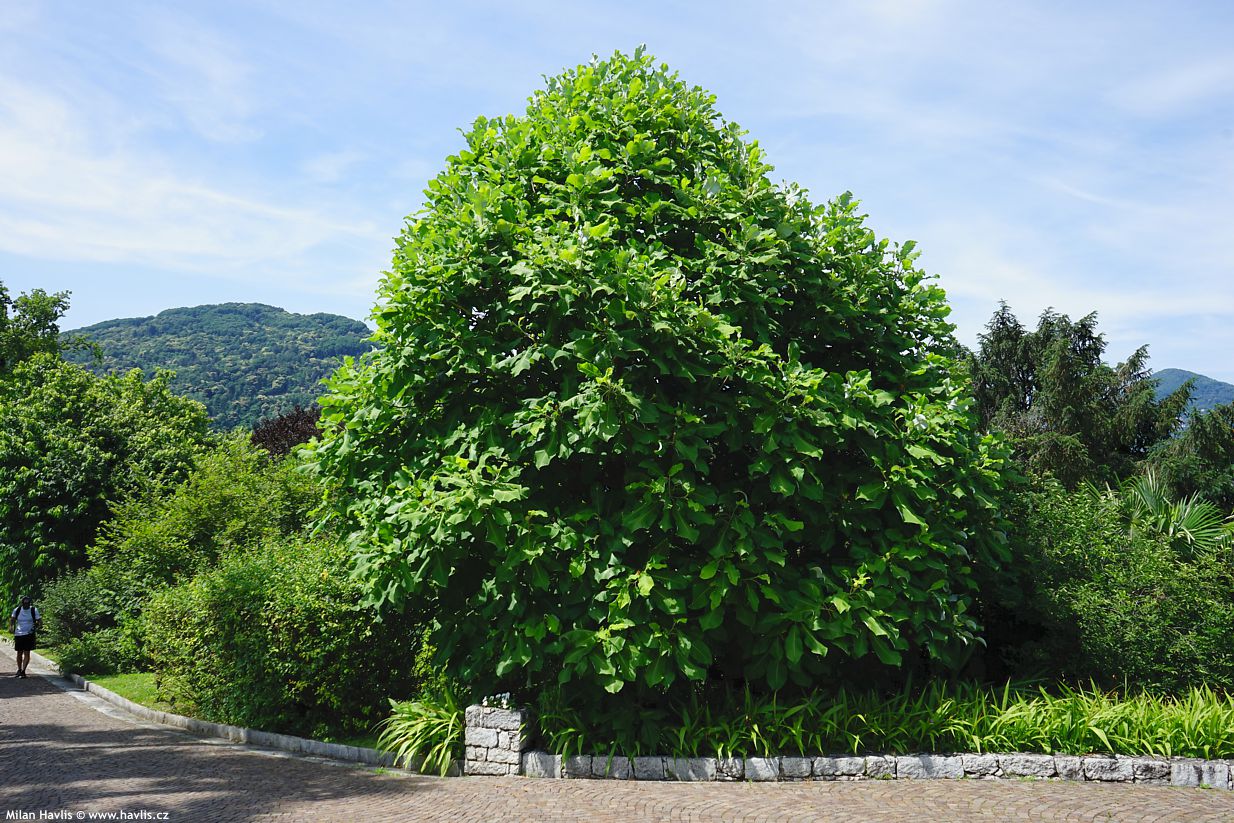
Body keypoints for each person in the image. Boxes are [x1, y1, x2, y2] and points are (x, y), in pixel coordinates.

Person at [9, 595, 41, 678]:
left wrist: (35, 627)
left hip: (29, 634)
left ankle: (23, 671)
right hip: (19, 634)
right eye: (24, 604)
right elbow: (12, 619)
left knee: (27, 652)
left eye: (27, 604)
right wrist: (11, 627)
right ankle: (19, 669)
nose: (26, 605)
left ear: (29, 603)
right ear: (22, 603)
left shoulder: (33, 610)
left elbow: (39, 621)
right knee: (19, 652)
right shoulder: (17, 610)